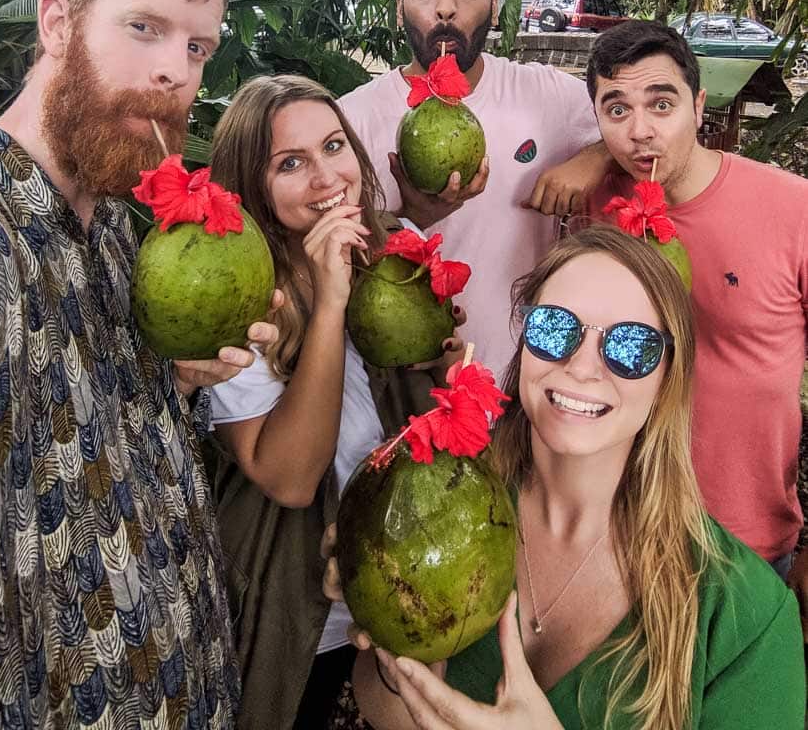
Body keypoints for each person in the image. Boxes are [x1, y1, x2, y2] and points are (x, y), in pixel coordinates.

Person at [0, 0, 281, 729]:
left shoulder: (117, 230)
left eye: (197, 48)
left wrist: (175, 381)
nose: (174, 74)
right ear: (56, 21)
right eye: (144, 27)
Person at [328, 226, 805, 730]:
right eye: (554, 328)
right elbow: (385, 708)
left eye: (629, 345)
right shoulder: (438, 502)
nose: (581, 367)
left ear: (668, 377)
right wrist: (394, 641)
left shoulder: (747, 619)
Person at [204, 74, 462, 730]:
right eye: (290, 163)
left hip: (406, 592)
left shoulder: (395, 246)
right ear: (251, 185)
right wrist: (329, 303)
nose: (327, 179)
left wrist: (447, 366)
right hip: (300, 613)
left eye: (333, 147)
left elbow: (423, 403)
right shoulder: (237, 297)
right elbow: (289, 478)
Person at [582, 19, 808, 633]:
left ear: (699, 104)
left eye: (662, 104)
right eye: (616, 109)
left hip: (748, 539)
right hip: (622, 530)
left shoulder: (792, 209)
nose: (640, 131)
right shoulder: (593, 210)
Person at [338, 0, 611, 378]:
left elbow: (642, 137)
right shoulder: (350, 120)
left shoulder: (547, 96)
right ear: (400, 3)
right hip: (399, 383)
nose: (446, 8)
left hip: (528, 378)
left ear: (492, 0)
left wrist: (595, 157)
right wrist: (413, 216)